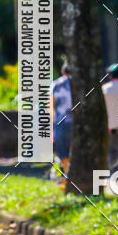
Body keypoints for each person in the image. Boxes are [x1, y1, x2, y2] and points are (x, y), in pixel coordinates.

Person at [50, 61, 73, 189]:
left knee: (63, 152)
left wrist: (53, 125)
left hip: (61, 123)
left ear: (63, 72)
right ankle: (71, 176)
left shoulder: (56, 84)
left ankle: (67, 176)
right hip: (75, 123)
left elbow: (51, 106)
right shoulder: (79, 84)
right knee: (74, 150)